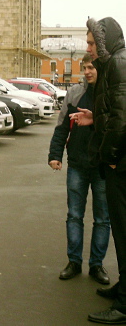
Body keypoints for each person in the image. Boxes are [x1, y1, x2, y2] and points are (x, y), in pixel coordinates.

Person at [71, 17, 126, 324]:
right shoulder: (115, 63)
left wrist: (113, 157)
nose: (89, 49)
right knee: (119, 230)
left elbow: (122, 117)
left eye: (91, 43)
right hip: (119, 161)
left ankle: (125, 304)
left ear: (104, 41)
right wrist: (95, 118)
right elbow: (112, 112)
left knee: (123, 230)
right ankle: (123, 289)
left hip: (121, 163)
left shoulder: (118, 64)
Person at [48, 53, 110, 285]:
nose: (87, 71)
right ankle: (74, 261)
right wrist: (55, 155)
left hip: (103, 166)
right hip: (77, 164)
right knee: (74, 216)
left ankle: (97, 265)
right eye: (85, 67)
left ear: (100, 69)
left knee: (103, 219)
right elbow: (62, 127)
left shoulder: (110, 95)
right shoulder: (74, 94)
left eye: (92, 67)